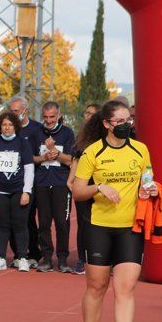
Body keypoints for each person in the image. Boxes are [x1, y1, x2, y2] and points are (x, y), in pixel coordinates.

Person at [73, 100, 156, 322]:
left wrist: (151, 189)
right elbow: (77, 191)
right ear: (107, 124)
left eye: (128, 120)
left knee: (125, 288)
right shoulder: (92, 154)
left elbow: (147, 180)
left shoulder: (140, 150)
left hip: (130, 227)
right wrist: (99, 187)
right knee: (97, 286)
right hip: (99, 226)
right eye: (120, 122)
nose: (126, 125)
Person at [0, 112, 34, 272]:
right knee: (2, 225)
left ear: (15, 127)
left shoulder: (22, 143)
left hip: (19, 190)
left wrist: (26, 191)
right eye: (4, 125)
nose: (7, 128)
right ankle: (0, 258)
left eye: (10, 125)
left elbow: (29, 168)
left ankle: (22, 258)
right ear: (0, 126)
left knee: (20, 225)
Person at [32, 102, 76, 273]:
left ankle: (63, 259)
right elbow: (32, 158)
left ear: (58, 115)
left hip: (61, 183)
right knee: (43, 222)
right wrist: (43, 157)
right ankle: (47, 258)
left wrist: (56, 153)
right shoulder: (37, 133)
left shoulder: (67, 133)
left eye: (52, 117)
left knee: (62, 222)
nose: (49, 121)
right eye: (46, 117)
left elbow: (71, 160)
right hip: (42, 182)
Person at [9, 97, 44, 267]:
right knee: (12, 219)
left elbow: (39, 155)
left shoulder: (37, 129)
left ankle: (34, 253)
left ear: (25, 111)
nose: (12, 114)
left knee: (29, 219)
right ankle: (17, 253)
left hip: (32, 182)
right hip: (10, 182)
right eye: (11, 110)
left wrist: (31, 159)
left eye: (15, 111)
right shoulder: (7, 129)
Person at [69, 103, 101, 275]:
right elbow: (76, 158)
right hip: (84, 184)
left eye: (90, 114)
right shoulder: (81, 137)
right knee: (84, 223)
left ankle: (103, 259)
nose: (86, 116)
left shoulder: (106, 137)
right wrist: (70, 179)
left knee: (100, 222)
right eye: (85, 113)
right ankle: (83, 259)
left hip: (102, 184)